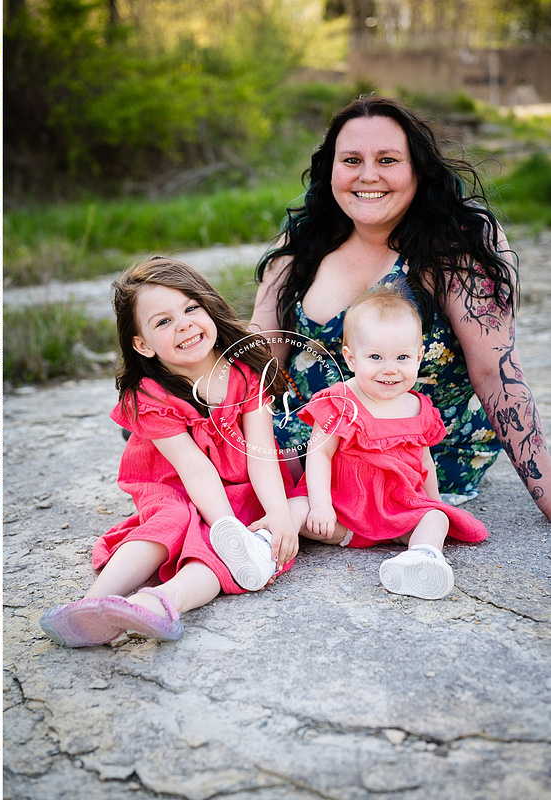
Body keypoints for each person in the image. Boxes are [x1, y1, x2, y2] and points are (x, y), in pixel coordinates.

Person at [251, 95, 551, 520]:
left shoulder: (458, 244)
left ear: (417, 168)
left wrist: (549, 497)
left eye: (388, 159)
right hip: (313, 443)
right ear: (330, 169)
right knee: (179, 439)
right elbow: (257, 364)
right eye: (351, 160)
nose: (368, 175)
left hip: (412, 449)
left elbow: (496, 373)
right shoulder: (301, 244)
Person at [39, 257, 297, 648]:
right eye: (162, 322)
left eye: (191, 308)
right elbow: (194, 471)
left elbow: (260, 453)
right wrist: (226, 527)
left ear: (209, 308)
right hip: (173, 485)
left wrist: (275, 513)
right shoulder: (150, 395)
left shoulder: (245, 372)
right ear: (142, 344)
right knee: (172, 519)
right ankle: (91, 607)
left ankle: (158, 604)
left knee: (223, 551)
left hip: (238, 486)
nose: (184, 325)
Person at [289, 288, 488, 600]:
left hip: (396, 515)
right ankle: (266, 545)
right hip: (340, 514)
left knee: (436, 517)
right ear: (351, 358)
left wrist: (434, 502)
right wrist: (321, 505)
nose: (391, 368)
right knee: (294, 507)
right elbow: (319, 454)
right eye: (376, 357)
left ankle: (421, 558)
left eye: (403, 357)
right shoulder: (339, 401)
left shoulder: (419, 408)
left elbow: (425, 463)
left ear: (419, 357)